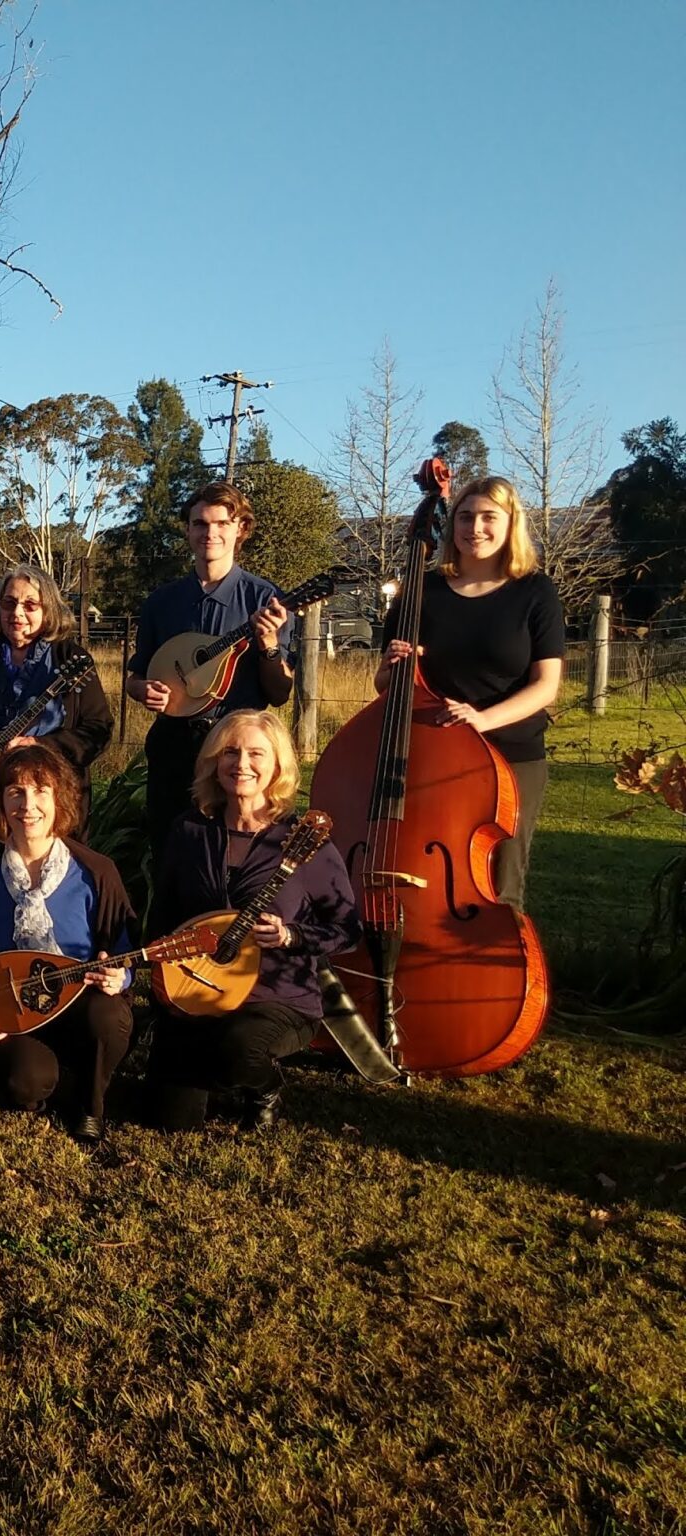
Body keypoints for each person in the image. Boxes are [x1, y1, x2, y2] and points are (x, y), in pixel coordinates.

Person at [145, 709, 360, 1131]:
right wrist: (162, 981)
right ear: (213, 762)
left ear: (277, 766)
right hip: (199, 988)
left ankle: (263, 1087)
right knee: (171, 1119)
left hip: (275, 996)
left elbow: (347, 930)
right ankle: (212, 1069)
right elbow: (165, 914)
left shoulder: (302, 842)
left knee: (239, 1050)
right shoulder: (190, 830)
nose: (241, 764)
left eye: (256, 754)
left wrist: (291, 936)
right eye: (230, 752)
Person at [378, 473, 565, 912]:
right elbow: (383, 687)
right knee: (426, 876)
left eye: (487, 517)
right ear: (451, 525)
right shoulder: (421, 591)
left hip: (510, 756)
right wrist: (391, 669)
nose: (474, 527)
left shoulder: (535, 592)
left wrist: (482, 720)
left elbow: (545, 686)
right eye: (465, 517)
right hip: (431, 755)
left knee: (500, 885)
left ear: (510, 522)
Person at [0, 744, 134, 1144]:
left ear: (60, 799)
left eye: (41, 791)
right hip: (11, 1010)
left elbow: (120, 948)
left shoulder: (96, 873)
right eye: (15, 792)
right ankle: (48, 1070)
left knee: (108, 1019)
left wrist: (122, 976)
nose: (28, 804)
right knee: (25, 1084)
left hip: (82, 1003)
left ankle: (88, 1103)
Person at [123, 482, 293, 866]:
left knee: (232, 857)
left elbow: (280, 693)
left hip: (236, 754)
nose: (210, 532)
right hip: (173, 749)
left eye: (221, 523)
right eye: (200, 523)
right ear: (188, 529)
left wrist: (267, 644)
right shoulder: (162, 602)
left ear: (240, 529)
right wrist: (143, 690)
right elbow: (134, 678)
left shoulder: (265, 599)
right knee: (169, 854)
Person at [0, 562, 113, 907]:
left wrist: (41, 745)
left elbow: (98, 729)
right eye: (9, 603)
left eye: (30, 605)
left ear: (49, 610)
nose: (18, 613)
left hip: (43, 796)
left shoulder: (71, 659)